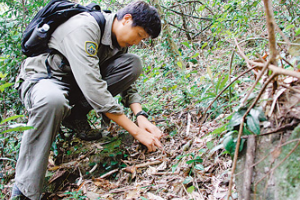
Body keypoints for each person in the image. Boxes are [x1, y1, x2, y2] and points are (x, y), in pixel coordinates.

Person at [11, 1, 163, 199]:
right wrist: (136, 132)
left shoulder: (117, 41)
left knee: (132, 64)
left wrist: (140, 115)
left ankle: (75, 116)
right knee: (53, 100)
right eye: (140, 36)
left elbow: (127, 84)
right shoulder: (85, 27)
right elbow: (94, 88)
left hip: (75, 83)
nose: (138, 42)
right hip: (45, 79)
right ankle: (25, 189)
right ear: (127, 20)